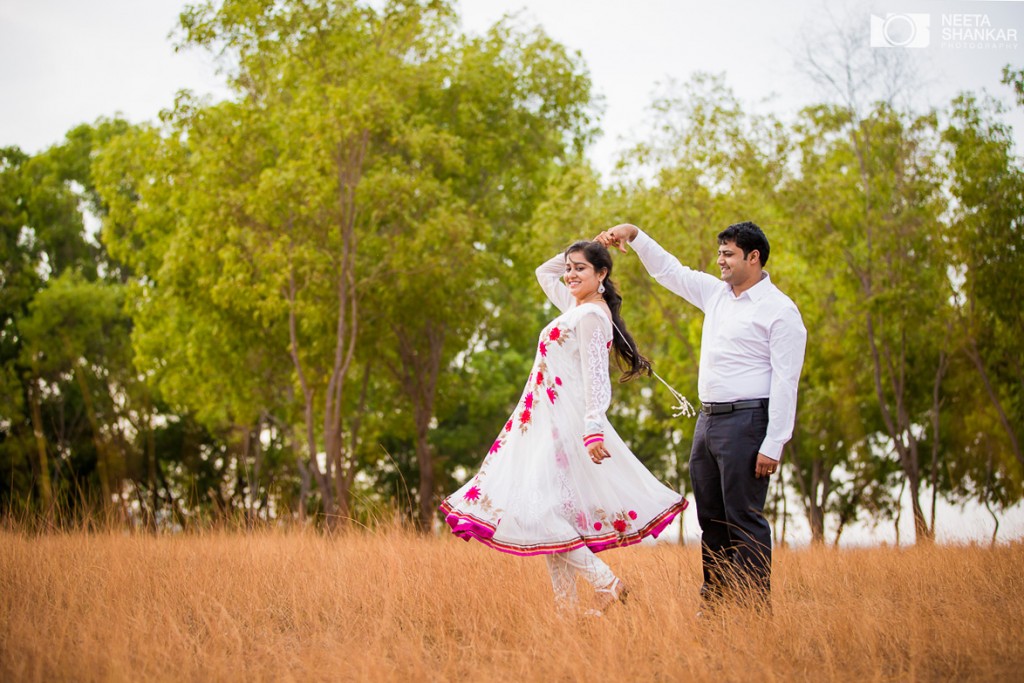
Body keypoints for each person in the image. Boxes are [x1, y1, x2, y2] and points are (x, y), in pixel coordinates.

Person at [439, 240, 688, 615]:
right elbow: (544, 271)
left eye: (580, 269)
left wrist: (593, 429)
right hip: (544, 422)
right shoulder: (575, 307)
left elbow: (596, 378)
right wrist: (591, 244)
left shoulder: (590, 317)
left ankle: (607, 582)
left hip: (565, 424)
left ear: (602, 275)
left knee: (539, 512)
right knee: (553, 515)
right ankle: (566, 613)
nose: (569, 274)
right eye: (569, 267)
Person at [596, 222, 806, 609]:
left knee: (743, 517)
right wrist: (636, 235)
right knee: (710, 518)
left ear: (753, 257)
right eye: (720, 253)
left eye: (728, 254)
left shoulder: (780, 311)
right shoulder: (717, 295)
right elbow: (670, 271)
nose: (720, 261)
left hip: (749, 423)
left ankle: (753, 608)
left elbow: (786, 381)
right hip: (708, 422)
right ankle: (716, 602)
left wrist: (774, 442)